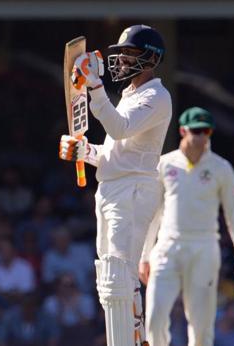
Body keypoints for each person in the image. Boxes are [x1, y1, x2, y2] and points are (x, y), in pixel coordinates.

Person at [59, 24, 171, 346]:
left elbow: (120, 129)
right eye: (120, 54)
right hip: (112, 188)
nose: (120, 61)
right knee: (108, 275)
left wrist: (94, 85)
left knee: (121, 273)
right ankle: (125, 339)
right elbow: (118, 153)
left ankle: (135, 341)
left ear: (150, 59)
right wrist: (85, 151)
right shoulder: (130, 95)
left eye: (129, 54)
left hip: (134, 191)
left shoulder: (157, 96)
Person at [138, 107, 234, 346]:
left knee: (201, 328)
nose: (201, 137)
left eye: (206, 131)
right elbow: (154, 213)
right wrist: (144, 255)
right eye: (196, 131)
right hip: (167, 246)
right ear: (183, 130)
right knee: (154, 317)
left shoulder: (221, 168)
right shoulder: (165, 164)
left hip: (204, 247)